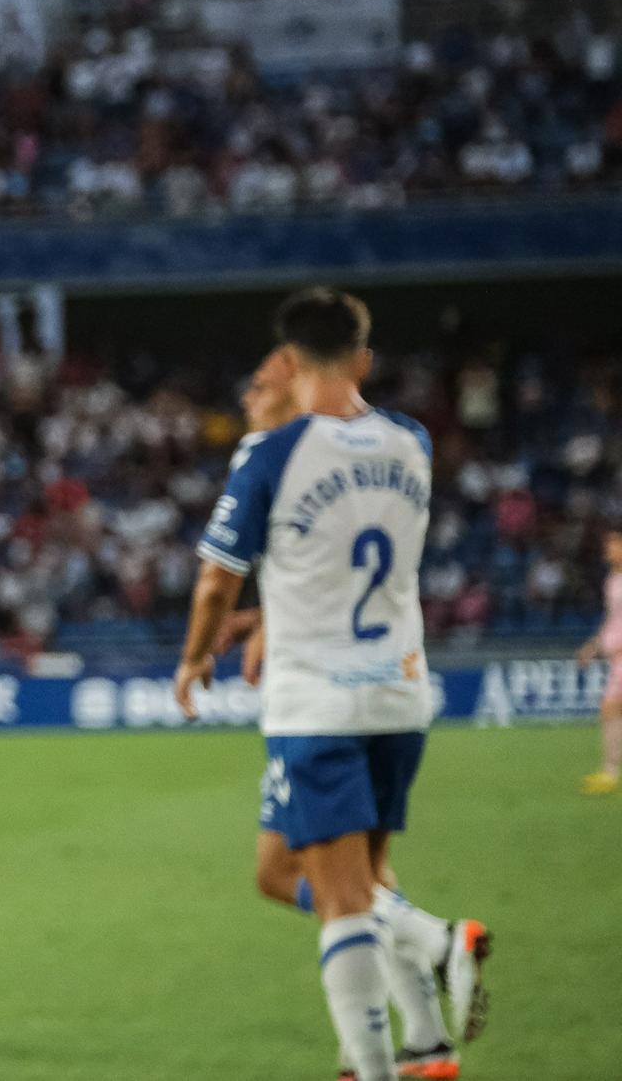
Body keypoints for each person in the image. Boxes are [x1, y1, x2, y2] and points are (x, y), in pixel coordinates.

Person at [174, 289, 482, 1081]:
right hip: (400, 693)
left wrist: (196, 654)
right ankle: (424, 1042)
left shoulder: (272, 455)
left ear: (289, 363)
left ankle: (425, 971)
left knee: (339, 896)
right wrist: (272, 619)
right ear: (363, 359)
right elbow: (346, 555)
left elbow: (216, 582)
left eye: (262, 378)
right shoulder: (411, 442)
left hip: (318, 701)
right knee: (305, 872)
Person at [576, 527, 622, 794]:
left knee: (610, 708)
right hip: (616, 656)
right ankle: (609, 771)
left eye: (614, 544)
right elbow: (612, 620)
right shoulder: (612, 580)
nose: (608, 549)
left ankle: (610, 771)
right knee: (610, 709)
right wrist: (593, 646)